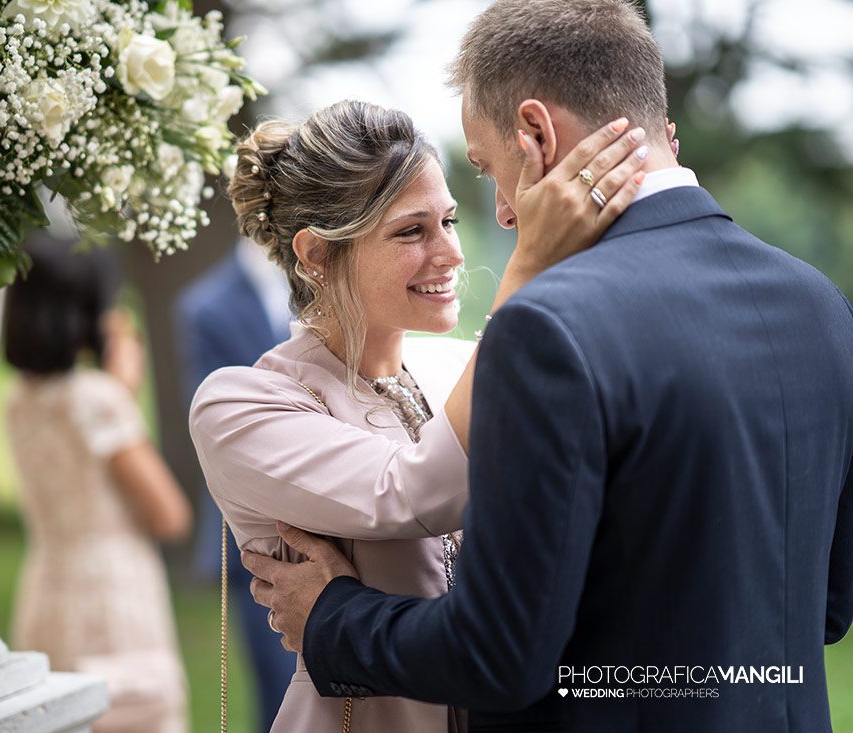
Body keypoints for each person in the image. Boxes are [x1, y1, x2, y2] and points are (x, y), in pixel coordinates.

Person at [241, 2, 853, 732]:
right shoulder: (819, 302)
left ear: (535, 134)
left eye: (487, 168)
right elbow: (825, 606)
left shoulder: (548, 329)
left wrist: (332, 617)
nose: (502, 212)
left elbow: (500, 655)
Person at [188, 99, 653, 731]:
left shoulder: (459, 366)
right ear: (317, 254)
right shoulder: (241, 404)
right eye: (412, 231)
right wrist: (530, 266)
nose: (452, 253)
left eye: (449, 221)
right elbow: (412, 491)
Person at [4, 234, 193, 733]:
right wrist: (123, 393)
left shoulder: (19, 401)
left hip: (46, 586)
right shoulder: (99, 400)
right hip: (113, 596)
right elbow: (170, 515)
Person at [174, 237, 296, 733]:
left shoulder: (331, 280)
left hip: (351, 530)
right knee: (281, 697)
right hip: (257, 538)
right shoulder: (205, 306)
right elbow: (219, 430)